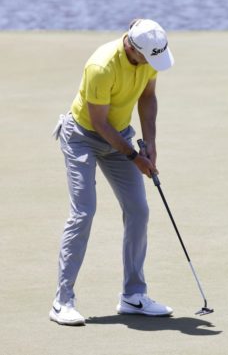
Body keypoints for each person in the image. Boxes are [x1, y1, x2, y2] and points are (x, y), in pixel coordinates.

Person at [50, 19, 175, 326]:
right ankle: (62, 301)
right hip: (82, 138)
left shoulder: (149, 57)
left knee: (138, 211)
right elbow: (99, 123)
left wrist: (151, 144)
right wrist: (134, 156)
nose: (152, 63)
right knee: (84, 212)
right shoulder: (101, 66)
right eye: (148, 57)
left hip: (119, 135)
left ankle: (133, 296)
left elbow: (147, 98)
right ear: (132, 47)